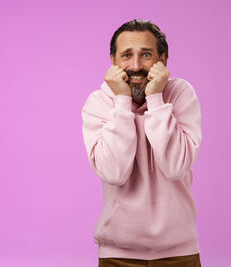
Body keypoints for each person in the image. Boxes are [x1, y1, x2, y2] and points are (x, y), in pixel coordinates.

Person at [81, 19, 202, 267]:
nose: (136, 65)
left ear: (163, 59)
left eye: (146, 54)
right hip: (118, 255)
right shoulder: (99, 103)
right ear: (113, 61)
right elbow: (114, 173)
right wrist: (122, 101)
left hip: (179, 253)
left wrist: (156, 97)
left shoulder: (180, 94)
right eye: (126, 55)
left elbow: (176, 167)